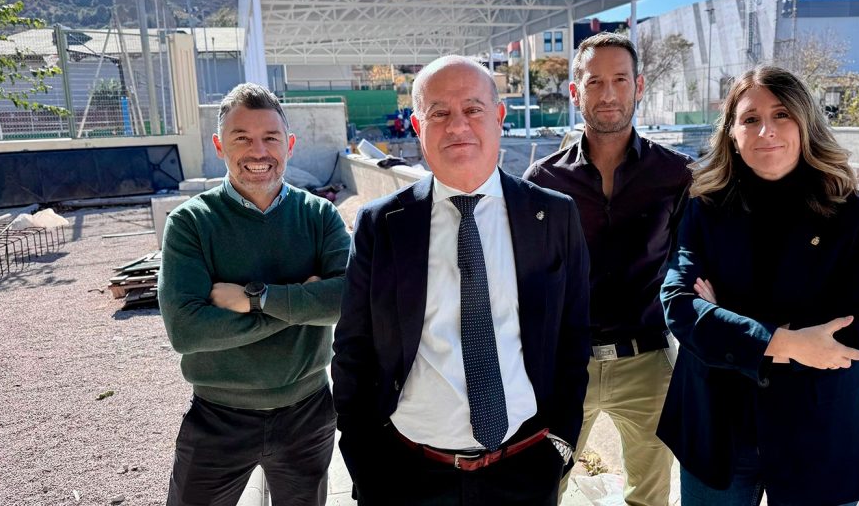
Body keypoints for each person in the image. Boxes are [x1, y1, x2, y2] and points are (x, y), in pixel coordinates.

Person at [332, 55, 591, 505]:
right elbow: (353, 349)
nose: (457, 126)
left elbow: (573, 334)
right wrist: (364, 464)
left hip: (524, 469)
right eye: (439, 113)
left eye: (472, 109)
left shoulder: (553, 216)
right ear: (417, 125)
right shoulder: (382, 224)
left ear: (498, 116)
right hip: (408, 474)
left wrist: (560, 445)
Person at [658, 65, 859, 506]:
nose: (766, 130)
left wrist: (728, 320)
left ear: (805, 121)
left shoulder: (853, 213)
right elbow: (681, 308)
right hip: (719, 427)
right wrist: (789, 341)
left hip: (818, 427)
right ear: (731, 132)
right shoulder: (703, 208)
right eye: (749, 118)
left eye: (781, 114)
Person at [158, 83, 350, 506]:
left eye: (270, 138)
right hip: (217, 417)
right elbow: (187, 332)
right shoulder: (191, 223)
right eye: (241, 138)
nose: (258, 152)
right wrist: (300, 302)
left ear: (290, 144)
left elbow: (345, 301)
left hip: (308, 413)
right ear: (219, 145)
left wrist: (255, 299)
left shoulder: (319, 216)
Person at [524, 32, 691, 506]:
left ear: (639, 87)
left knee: (651, 495)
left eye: (620, 79)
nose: (609, 93)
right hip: (565, 366)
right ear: (575, 91)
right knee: (540, 488)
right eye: (595, 81)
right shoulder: (544, 181)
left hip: (647, 363)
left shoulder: (676, 174)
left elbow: (691, 263)